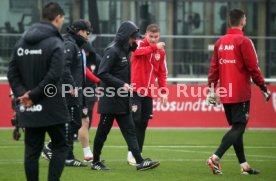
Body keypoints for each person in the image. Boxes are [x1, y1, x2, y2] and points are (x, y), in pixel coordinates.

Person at [7, 2, 69, 181]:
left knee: (32, 151)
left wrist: (23, 95)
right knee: (61, 145)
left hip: (29, 107)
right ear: (57, 18)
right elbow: (54, 75)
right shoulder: (56, 42)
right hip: (52, 106)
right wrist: (33, 95)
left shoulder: (21, 41)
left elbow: (12, 72)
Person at [206, 9, 271, 175]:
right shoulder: (244, 42)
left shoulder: (220, 42)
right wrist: (263, 87)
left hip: (226, 93)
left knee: (237, 128)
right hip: (240, 93)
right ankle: (215, 157)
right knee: (239, 128)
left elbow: (214, 69)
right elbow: (253, 68)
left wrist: (212, 89)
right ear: (243, 21)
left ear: (229, 22)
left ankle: (244, 166)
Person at [91, 21, 160, 171]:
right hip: (110, 100)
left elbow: (137, 51)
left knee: (130, 131)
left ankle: (140, 162)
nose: (135, 40)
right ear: (126, 36)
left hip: (122, 100)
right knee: (103, 133)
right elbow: (102, 73)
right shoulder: (113, 50)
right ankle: (95, 162)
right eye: (133, 37)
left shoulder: (124, 50)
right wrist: (122, 85)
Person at [42, 19, 94, 167]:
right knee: (72, 122)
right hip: (69, 91)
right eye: (87, 32)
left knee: (75, 122)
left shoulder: (74, 44)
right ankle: (65, 155)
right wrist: (71, 86)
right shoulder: (69, 45)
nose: (88, 36)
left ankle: (54, 148)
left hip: (74, 91)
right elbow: (63, 67)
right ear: (79, 31)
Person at [127, 24, 168, 165]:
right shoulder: (138, 44)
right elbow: (138, 52)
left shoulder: (161, 52)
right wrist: (154, 47)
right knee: (135, 121)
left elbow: (162, 72)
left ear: (159, 36)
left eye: (156, 37)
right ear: (145, 35)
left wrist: (163, 91)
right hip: (135, 89)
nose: (153, 39)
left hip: (149, 92)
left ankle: (138, 153)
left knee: (143, 123)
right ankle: (131, 153)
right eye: (151, 36)